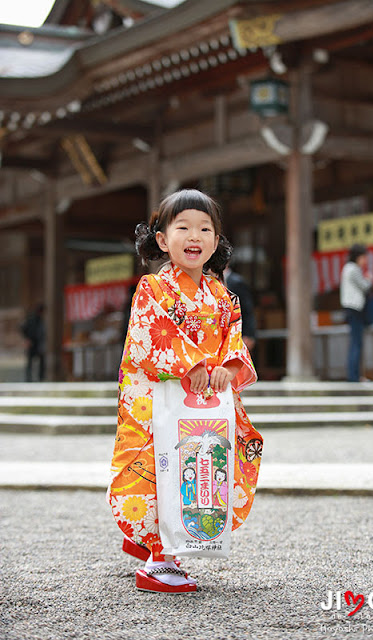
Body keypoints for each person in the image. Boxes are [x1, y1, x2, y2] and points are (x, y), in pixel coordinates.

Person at [108, 189, 262, 594]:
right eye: (183, 227)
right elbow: (148, 336)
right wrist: (191, 365)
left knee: (201, 466)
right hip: (160, 397)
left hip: (203, 400)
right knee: (162, 467)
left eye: (205, 229)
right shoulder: (152, 289)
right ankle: (160, 559)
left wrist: (228, 366)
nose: (195, 236)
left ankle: (155, 540)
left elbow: (232, 339)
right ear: (162, 239)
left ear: (216, 241)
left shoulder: (222, 295)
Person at [340, 244, 373, 382]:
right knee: (356, 343)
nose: (365, 260)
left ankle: (355, 375)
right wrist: (369, 278)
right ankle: (353, 377)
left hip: (351, 308)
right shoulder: (353, 269)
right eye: (364, 257)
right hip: (354, 308)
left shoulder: (348, 269)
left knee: (356, 342)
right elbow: (364, 286)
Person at [224, 265, 256, 352]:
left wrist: (248, 334)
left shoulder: (237, 282)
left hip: (236, 329)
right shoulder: (208, 281)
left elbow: (247, 310)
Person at [20, 303, 46, 382]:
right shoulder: (31, 319)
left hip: (38, 344)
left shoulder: (40, 319)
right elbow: (22, 328)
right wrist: (27, 339)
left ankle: (40, 378)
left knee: (41, 361)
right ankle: (29, 379)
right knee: (30, 363)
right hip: (31, 343)